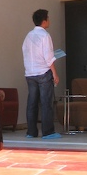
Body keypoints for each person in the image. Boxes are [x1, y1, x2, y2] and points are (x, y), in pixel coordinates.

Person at [22, 9, 61, 140]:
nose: (49, 20)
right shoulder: (45, 35)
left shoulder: (28, 36)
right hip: (43, 72)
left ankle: (31, 132)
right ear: (44, 21)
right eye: (48, 18)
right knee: (46, 103)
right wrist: (55, 73)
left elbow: (25, 52)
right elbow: (48, 57)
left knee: (32, 103)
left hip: (30, 73)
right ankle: (48, 132)